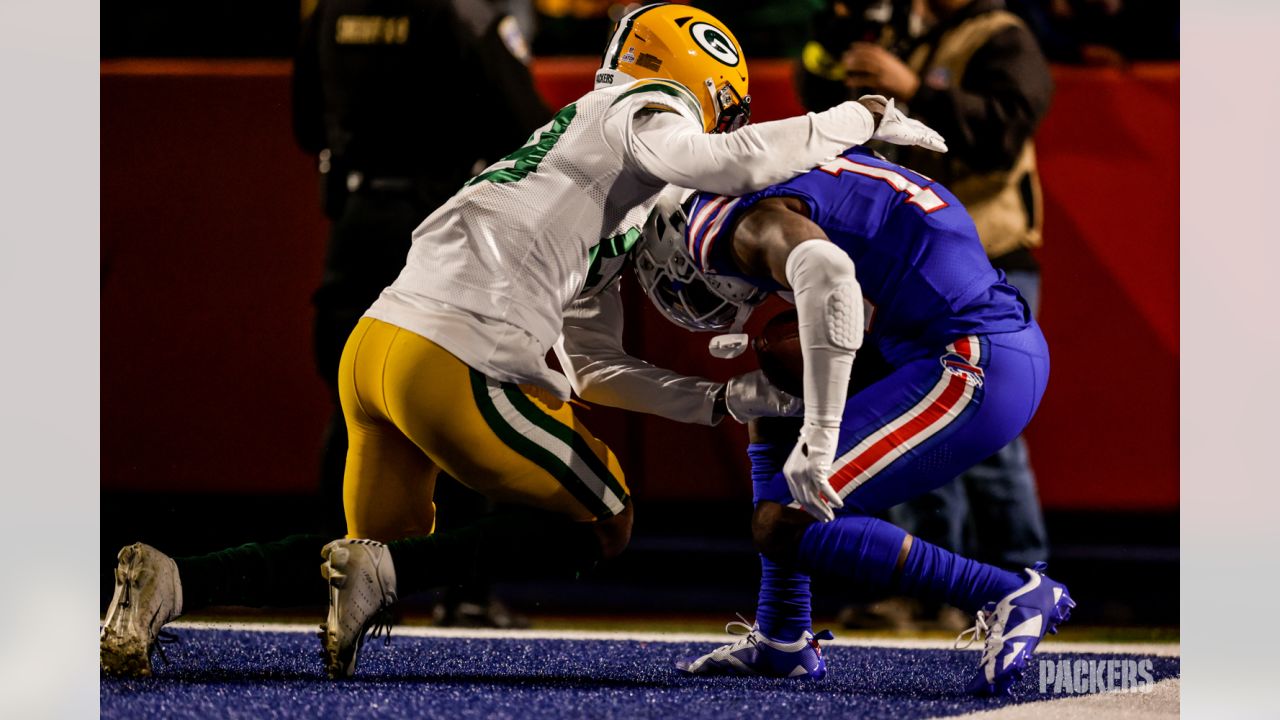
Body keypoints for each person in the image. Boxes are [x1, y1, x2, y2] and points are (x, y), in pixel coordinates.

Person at [100, 2, 948, 680]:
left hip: (382, 345)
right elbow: (722, 164)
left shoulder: (581, 157)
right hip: (453, 356)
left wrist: (717, 400)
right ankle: (380, 578)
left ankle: (174, 579)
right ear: (699, 81)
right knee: (608, 517)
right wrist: (852, 118)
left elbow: (591, 365)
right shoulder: (639, 108)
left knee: (375, 553)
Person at [621, 145, 1071, 695]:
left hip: (974, 359)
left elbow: (828, 270)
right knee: (779, 401)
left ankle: (1003, 591)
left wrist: (822, 430)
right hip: (936, 340)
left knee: (784, 523)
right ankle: (783, 636)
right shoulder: (787, 166)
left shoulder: (739, 218)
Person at [292, 0, 553, 625]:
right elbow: (528, 125)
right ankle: (465, 592)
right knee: (462, 405)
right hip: (442, 234)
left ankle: (340, 590)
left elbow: (306, 126)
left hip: (354, 231)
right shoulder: (462, 12)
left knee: (351, 410)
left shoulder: (329, 12)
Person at [804, 0, 1054, 580]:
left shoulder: (1001, 35)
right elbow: (818, 101)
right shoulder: (905, 33)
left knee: (991, 439)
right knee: (913, 427)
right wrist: (834, 40)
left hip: (987, 262)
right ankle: (932, 591)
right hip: (910, 268)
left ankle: (1025, 577)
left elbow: (1005, 132)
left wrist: (914, 87)